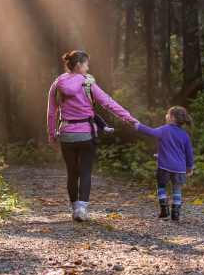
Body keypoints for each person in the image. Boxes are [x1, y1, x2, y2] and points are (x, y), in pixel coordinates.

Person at [47, 50, 138, 222]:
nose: (88, 68)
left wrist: (52, 133)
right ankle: (83, 209)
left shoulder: (57, 84)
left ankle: (74, 210)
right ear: (79, 65)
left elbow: (52, 112)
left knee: (72, 173)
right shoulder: (88, 83)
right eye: (86, 64)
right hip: (87, 134)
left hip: (67, 134)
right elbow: (109, 103)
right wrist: (130, 119)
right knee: (85, 172)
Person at [134, 106, 194, 221]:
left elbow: (150, 132)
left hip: (164, 166)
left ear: (172, 118)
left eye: (167, 114)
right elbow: (189, 153)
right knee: (177, 189)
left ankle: (164, 209)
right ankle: (175, 213)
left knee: (161, 185)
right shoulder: (185, 135)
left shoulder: (164, 130)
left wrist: (137, 125)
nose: (165, 116)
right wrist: (190, 166)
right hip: (179, 168)